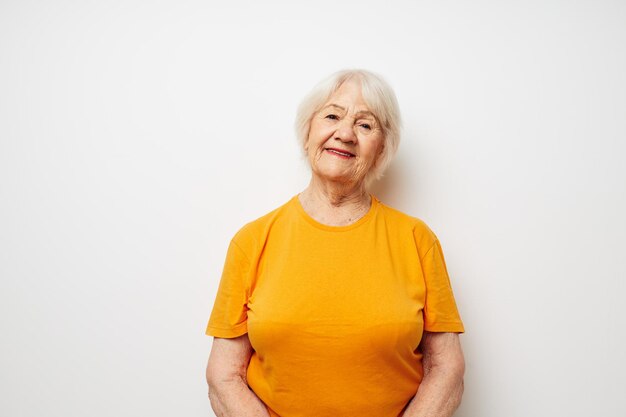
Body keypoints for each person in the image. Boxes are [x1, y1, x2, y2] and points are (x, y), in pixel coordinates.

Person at [204, 69, 466, 417]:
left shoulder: (417, 240)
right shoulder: (252, 241)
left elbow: (446, 368)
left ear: (382, 148)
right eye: (332, 115)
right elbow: (223, 375)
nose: (344, 133)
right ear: (308, 132)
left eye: (365, 125)